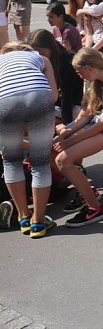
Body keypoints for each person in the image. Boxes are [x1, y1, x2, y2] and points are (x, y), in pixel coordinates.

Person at [53, 48, 103, 227]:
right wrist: (68, 130)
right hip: (102, 126)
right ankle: (87, 194)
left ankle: (95, 207)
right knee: (57, 153)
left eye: (78, 71)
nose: (78, 75)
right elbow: (86, 115)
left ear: (89, 68)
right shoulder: (95, 81)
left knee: (63, 160)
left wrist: (72, 140)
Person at [0, 42, 58, 238]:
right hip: (39, 95)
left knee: (11, 161)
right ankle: (38, 223)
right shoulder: (40, 58)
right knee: (40, 163)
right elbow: (54, 94)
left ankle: (23, 217)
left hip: (4, 100)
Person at [28, 29, 84, 126]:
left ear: (51, 48)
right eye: (35, 54)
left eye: (42, 53)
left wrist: (67, 125)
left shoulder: (67, 60)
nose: (39, 57)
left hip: (71, 105)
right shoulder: (35, 62)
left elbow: (68, 94)